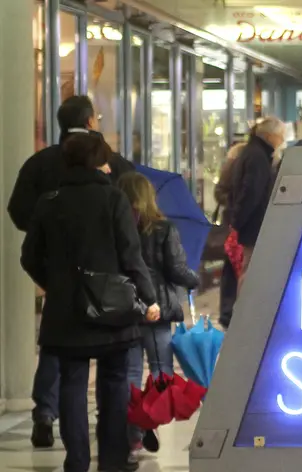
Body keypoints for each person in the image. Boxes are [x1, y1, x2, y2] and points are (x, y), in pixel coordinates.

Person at [20, 133, 159, 472]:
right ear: (99, 163)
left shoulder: (48, 201)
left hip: (64, 311)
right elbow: (131, 254)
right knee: (113, 383)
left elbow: (29, 257)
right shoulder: (113, 199)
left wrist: (54, 284)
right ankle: (112, 460)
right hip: (112, 309)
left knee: (71, 382)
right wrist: (148, 295)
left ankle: (77, 460)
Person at [7, 95, 136, 448]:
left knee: (60, 350)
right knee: (114, 365)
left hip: (61, 273)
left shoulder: (41, 163)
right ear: (91, 122)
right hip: (108, 280)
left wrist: (46, 247)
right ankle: (113, 439)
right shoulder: (112, 163)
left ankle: (45, 414)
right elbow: (133, 213)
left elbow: (17, 209)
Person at [117, 172, 200, 459]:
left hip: (126, 309)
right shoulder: (164, 228)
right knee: (160, 369)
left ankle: (132, 432)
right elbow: (176, 270)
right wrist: (194, 279)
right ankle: (149, 417)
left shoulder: (116, 228)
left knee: (128, 372)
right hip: (157, 309)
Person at [230, 117, 286, 283]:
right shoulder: (258, 157)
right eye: (280, 136)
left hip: (251, 225)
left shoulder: (253, 152)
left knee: (250, 269)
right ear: (269, 136)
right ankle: (244, 308)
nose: (282, 140)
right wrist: (238, 221)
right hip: (255, 225)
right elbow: (251, 192)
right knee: (251, 271)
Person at [214, 142, 246, 329]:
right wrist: (235, 203)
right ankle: (227, 312)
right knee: (231, 268)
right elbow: (219, 192)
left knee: (235, 269)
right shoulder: (233, 166)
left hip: (239, 225)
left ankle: (230, 312)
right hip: (233, 227)